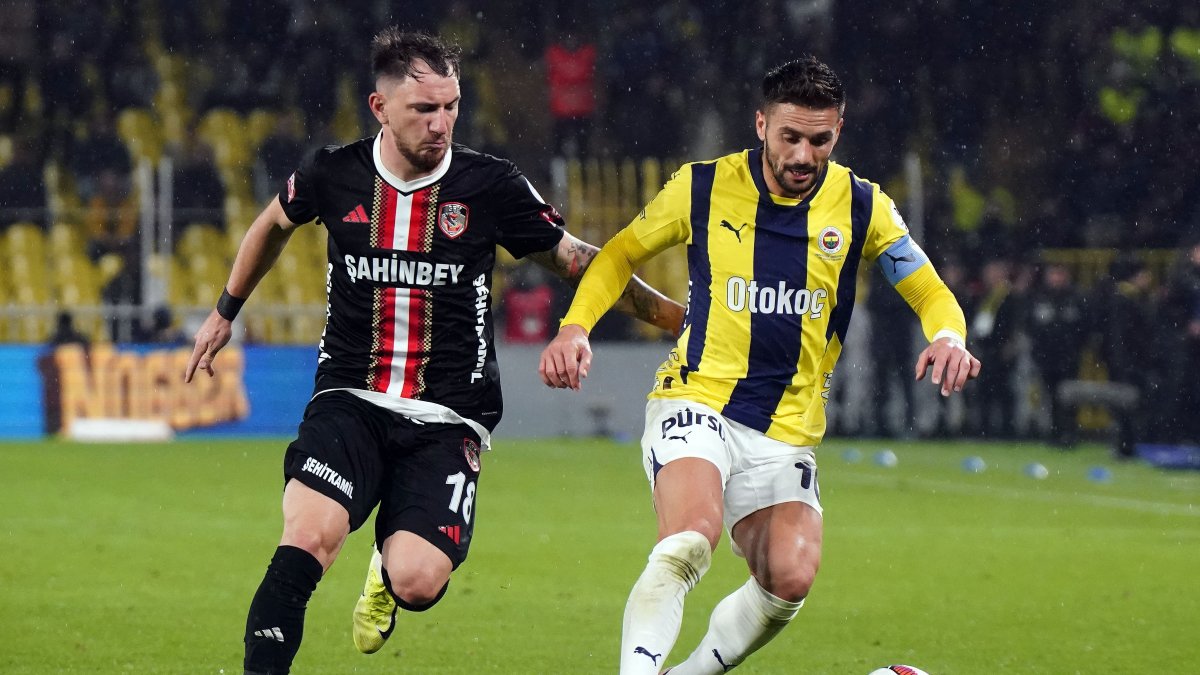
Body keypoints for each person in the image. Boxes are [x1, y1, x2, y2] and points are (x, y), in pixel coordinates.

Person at [183, 29, 682, 675]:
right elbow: (272, 224)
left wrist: (677, 318)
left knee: (417, 580)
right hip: (350, 399)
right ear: (380, 106)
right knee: (308, 535)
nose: (442, 122)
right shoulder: (333, 173)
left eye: (451, 106)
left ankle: (387, 571)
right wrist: (224, 311)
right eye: (424, 109)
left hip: (448, 415)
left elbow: (579, 260)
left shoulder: (492, 185)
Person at [539, 56, 980, 674]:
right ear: (760, 125)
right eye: (790, 137)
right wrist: (575, 327)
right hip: (698, 399)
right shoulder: (701, 185)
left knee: (789, 580)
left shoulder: (861, 206)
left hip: (787, 429)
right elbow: (618, 255)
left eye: (819, 140)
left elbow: (928, 288)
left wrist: (949, 336)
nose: (803, 155)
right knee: (690, 539)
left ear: (839, 132)